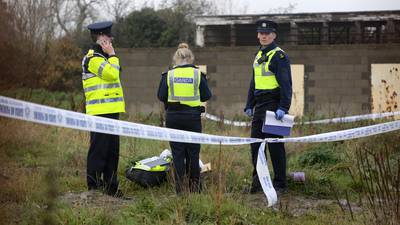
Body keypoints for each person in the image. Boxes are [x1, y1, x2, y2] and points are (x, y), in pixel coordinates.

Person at [244, 19, 292, 194]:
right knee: (255, 144)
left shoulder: (279, 56)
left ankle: (280, 185)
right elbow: (253, 82)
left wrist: (283, 108)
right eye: (261, 33)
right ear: (258, 35)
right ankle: (257, 184)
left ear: (274, 35)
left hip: (274, 105)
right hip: (260, 105)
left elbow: (286, 84)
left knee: (275, 146)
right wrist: (249, 104)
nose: (263, 36)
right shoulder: (258, 55)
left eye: (267, 33)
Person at [81, 21, 128, 199]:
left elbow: (115, 72)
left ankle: (111, 187)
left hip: (111, 109)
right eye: (109, 36)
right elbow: (112, 74)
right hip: (99, 111)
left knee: (112, 152)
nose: (112, 39)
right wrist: (113, 54)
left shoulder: (105, 57)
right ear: (101, 38)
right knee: (98, 151)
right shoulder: (93, 58)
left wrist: (111, 57)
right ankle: (93, 188)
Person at [157, 43, 212, 194]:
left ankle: (180, 190)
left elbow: (161, 96)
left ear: (176, 58)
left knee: (178, 154)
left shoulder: (168, 75)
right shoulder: (197, 74)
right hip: (192, 118)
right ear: (191, 58)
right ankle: (195, 188)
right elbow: (207, 95)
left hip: (174, 117)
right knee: (193, 153)